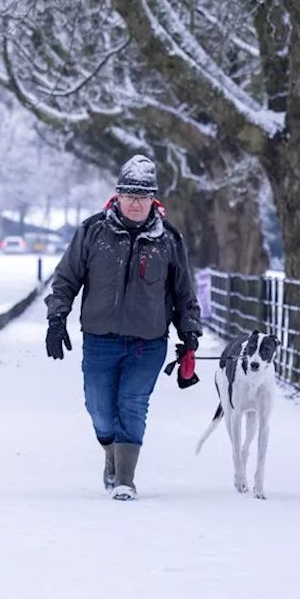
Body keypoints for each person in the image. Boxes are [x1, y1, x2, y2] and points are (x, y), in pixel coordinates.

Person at [44, 154, 202, 501]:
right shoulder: (93, 231)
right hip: (100, 339)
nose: (135, 202)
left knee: (132, 403)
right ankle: (111, 455)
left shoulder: (168, 241)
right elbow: (66, 279)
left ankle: (125, 480)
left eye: (142, 196)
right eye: (129, 195)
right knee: (99, 406)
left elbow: (183, 293)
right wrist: (57, 319)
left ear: (153, 200)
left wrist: (189, 334)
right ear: (117, 195)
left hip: (148, 342)